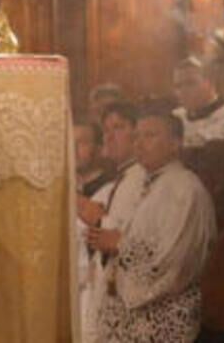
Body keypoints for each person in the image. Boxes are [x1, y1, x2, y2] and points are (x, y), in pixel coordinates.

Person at [89, 110, 217, 343]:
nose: (139, 144)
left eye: (150, 135)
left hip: (164, 312)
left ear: (176, 143)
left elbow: (176, 260)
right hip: (128, 310)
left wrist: (119, 244)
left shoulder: (185, 190)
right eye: (136, 137)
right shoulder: (140, 182)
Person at [77, 101, 146, 343]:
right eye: (106, 130)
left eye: (118, 128)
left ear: (138, 132)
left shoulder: (143, 178)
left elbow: (141, 242)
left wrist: (99, 219)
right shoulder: (124, 178)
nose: (109, 137)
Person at [170, 57, 224, 147]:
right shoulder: (175, 116)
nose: (182, 91)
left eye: (190, 83)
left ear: (210, 82)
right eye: (178, 86)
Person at [75, 119, 111, 198]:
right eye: (71, 142)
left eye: (82, 142)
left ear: (99, 149)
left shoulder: (109, 186)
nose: (74, 148)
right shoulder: (66, 185)